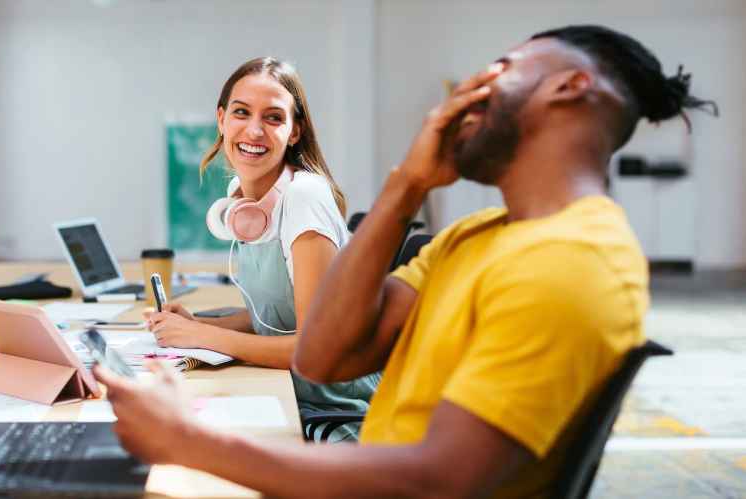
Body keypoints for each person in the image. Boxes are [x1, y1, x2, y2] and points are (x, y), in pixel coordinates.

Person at [95, 26, 717, 497]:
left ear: (569, 85)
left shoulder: (578, 262)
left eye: (499, 69)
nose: (471, 89)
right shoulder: (473, 236)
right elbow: (323, 354)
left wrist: (191, 442)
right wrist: (408, 184)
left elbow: (441, 480)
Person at [145, 56, 380, 441]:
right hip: (291, 394)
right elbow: (276, 316)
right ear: (221, 120)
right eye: (241, 112)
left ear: (294, 131)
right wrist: (199, 324)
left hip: (337, 413)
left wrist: (202, 338)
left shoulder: (304, 197)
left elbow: (312, 347)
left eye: (273, 117)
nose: (254, 130)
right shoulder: (246, 204)